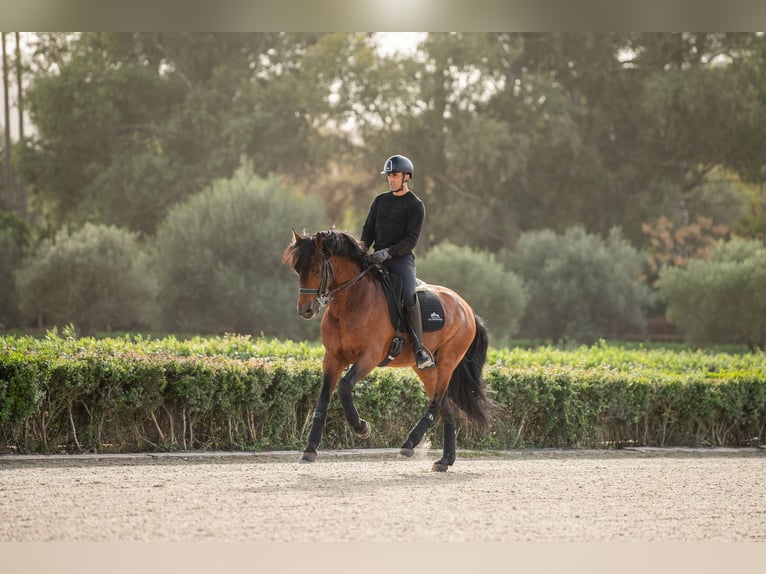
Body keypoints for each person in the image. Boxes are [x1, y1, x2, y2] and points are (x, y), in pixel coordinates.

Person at [361, 154, 435, 369]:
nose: (390, 179)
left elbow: (411, 240)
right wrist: (362, 250)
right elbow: (368, 231)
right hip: (375, 258)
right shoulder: (379, 201)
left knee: (408, 295)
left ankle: (419, 349)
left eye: (394, 175)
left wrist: (389, 253)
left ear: (406, 177)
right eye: (388, 176)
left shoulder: (415, 205)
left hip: (400, 260)